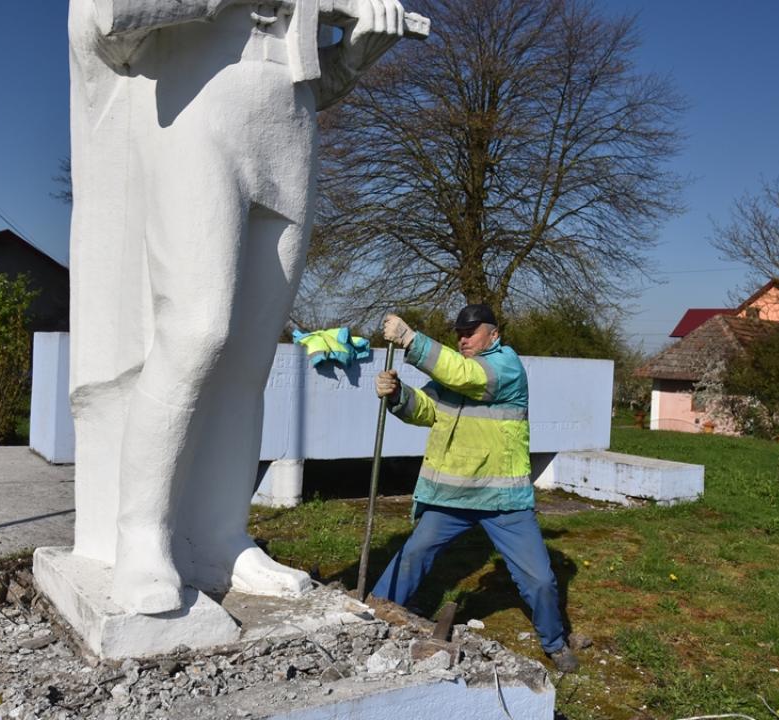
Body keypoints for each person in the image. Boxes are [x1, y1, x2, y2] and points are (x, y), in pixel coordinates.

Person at [65, 0, 407, 614]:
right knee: (196, 332)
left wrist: (355, 56)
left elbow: (310, 77)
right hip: (195, 114)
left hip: (289, 134)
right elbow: (110, 21)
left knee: (250, 358)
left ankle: (221, 535)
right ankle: (140, 533)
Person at [371, 304, 583, 672]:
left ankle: (555, 641)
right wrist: (397, 394)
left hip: (503, 500)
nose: (463, 339)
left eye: (470, 332)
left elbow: (465, 376)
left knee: (539, 580)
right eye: (459, 333)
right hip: (453, 498)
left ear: (494, 334)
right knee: (412, 555)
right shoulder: (457, 373)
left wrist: (411, 340)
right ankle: (373, 615)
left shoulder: (505, 367)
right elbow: (426, 409)